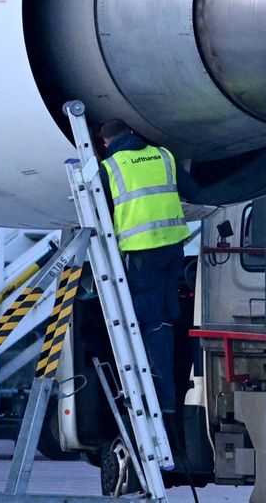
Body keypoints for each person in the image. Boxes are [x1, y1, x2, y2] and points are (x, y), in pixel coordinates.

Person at [97, 119, 190, 425]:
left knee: (148, 320)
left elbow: (102, 212)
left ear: (106, 143)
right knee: (167, 314)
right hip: (174, 246)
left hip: (142, 252)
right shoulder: (163, 155)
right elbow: (192, 190)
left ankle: (162, 399)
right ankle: (172, 393)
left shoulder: (111, 166)